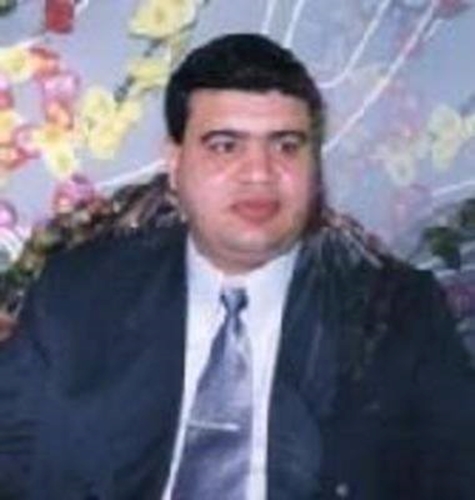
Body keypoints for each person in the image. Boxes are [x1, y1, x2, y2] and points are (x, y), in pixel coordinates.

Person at [1, 33, 475, 500]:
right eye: (225, 146)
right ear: (175, 162)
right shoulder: (80, 294)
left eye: (286, 146)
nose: (260, 174)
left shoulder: (396, 312)